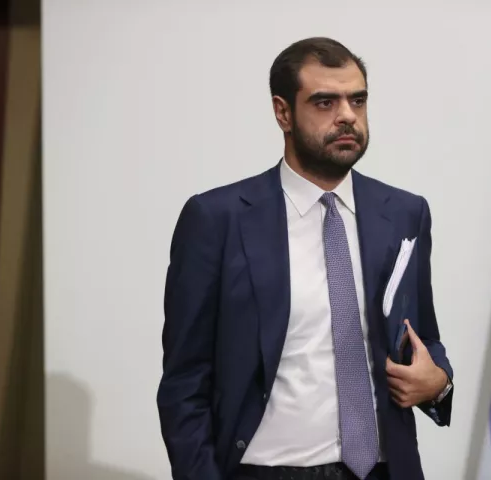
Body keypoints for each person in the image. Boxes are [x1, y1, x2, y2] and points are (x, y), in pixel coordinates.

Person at [157, 37, 454, 480]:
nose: (347, 115)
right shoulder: (217, 219)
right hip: (267, 470)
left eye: (357, 100)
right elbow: (185, 379)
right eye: (324, 102)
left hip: (384, 469)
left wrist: (439, 384)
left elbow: (423, 337)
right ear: (283, 113)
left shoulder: (405, 214)